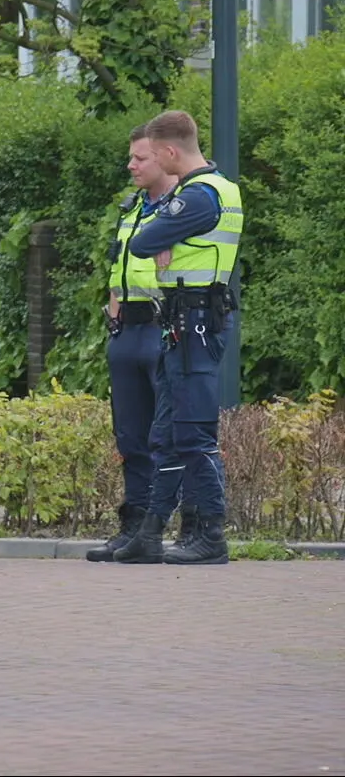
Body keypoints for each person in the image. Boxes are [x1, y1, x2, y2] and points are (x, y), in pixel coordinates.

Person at [115, 110, 243, 566]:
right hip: (182, 322)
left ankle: (210, 535)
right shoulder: (207, 190)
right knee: (166, 433)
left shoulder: (201, 196)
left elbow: (144, 243)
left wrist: (161, 237)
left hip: (197, 322)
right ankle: (151, 533)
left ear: (170, 151)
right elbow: (149, 240)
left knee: (193, 433)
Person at [85, 125, 177, 561]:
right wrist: (114, 316)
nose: (131, 165)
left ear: (164, 156)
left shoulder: (186, 208)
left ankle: (162, 527)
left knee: (166, 435)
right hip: (128, 330)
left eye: (140, 158)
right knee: (130, 437)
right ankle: (133, 527)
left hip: (163, 327)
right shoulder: (134, 207)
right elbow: (116, 270)